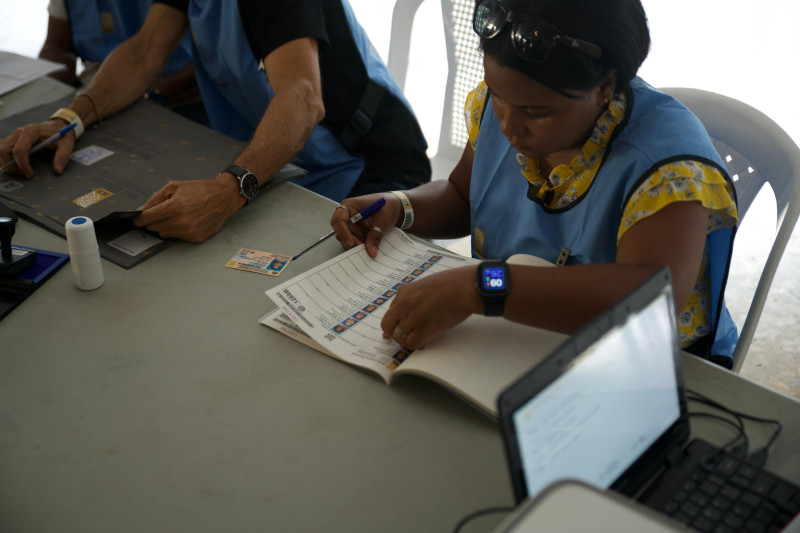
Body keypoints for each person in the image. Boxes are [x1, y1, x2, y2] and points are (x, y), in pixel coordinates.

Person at [331, 0, 739, 368]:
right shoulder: (501, 109)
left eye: (536, 111)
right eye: (498, 95)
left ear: (604, 87)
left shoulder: (667, 171)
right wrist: (399, 206)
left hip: (645, 367)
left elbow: (647, 299)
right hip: (523, 334)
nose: (507, 124)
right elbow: (462, 195)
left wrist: (483, 285)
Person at [1, 0, 430, 243]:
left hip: (370, 163)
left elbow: (303, 97)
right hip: (292, 160)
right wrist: (69, 118)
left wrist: (228, 192)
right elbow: (146, 50)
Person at [39, 0, 201, 111]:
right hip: (101, 90)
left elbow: (144, 53)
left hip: (177, 95)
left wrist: (153, 95)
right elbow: (57, 45)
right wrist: (54, 99)